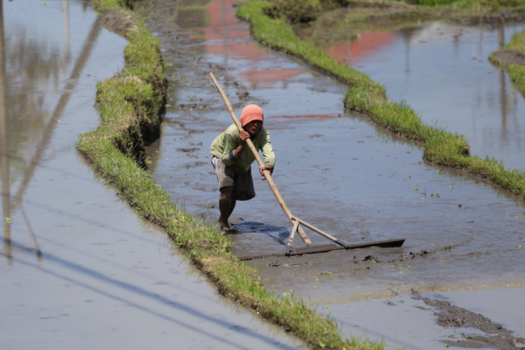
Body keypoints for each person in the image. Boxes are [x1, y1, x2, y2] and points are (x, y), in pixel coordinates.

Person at [210, 104, 275, 231]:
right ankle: (224, 224)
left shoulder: (263, 133)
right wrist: (243, 146)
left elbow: (269, 151)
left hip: (243, 160)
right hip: (223, 155)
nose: (255, 125)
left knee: (235, 193)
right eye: (252, 122)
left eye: (258, 122)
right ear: (244, 122)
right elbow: (227, 160)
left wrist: (269, 165)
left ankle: (224, 219)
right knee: (227, 188)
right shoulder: (232, 132)